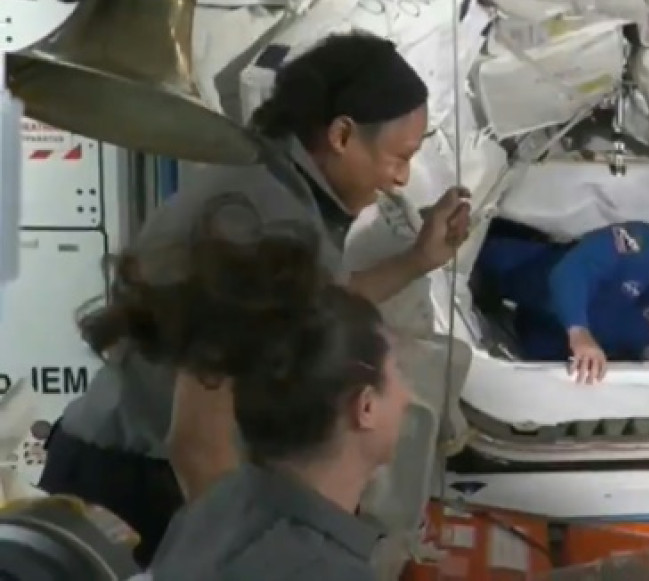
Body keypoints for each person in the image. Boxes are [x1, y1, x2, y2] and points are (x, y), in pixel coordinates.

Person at [38, 31, 470, 566]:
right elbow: (197, 443)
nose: (401, 179)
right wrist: (246, 556)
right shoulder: (265, 217)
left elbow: (313, 306)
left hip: (125, 464)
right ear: (341, 135)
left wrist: (417, 261)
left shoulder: (271, 184)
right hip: (131, 479)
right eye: (399, 157)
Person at [81, 208, 409, 579]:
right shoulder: (325, 571)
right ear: (364, 408)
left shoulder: (219, 508)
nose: (407, 396)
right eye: (397, 372)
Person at [474, 219, 649, 382]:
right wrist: (579, 331)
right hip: (525, 279)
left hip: (550, 351)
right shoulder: (637, 243)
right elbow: (573, 270)